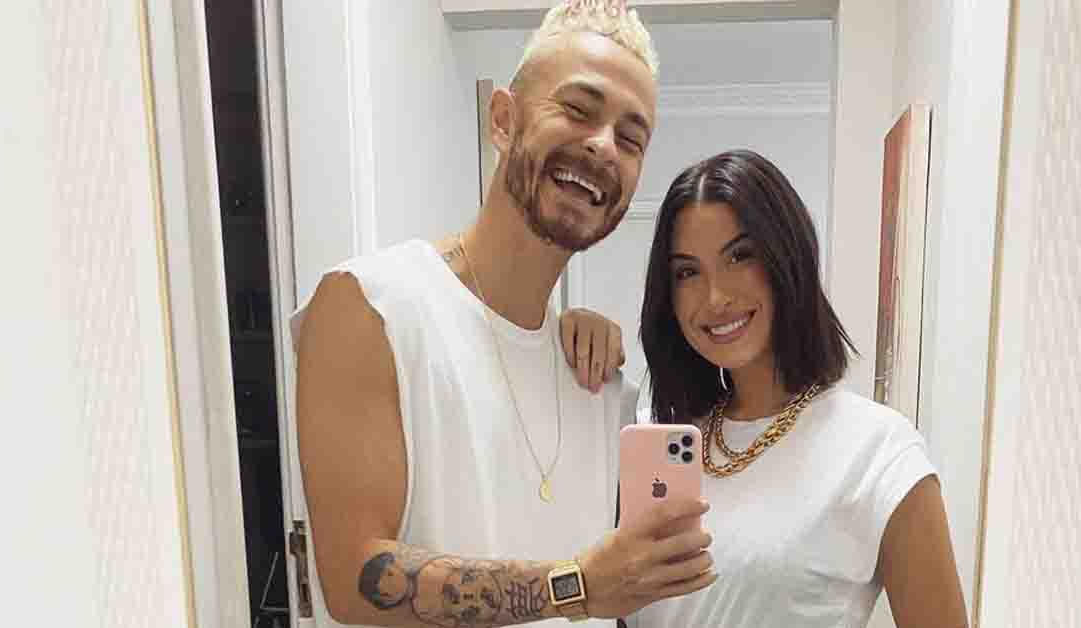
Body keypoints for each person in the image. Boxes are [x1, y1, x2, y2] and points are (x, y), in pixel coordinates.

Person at [290, 2, 716, 627]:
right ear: (503, 120)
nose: (604, 145)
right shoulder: (369, 305)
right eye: (578, 109)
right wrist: (577, 586)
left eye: (631, 139)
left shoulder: (598, 381)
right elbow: (356, 578)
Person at [622, 150, 968, 627]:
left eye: (740, 256)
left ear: (787, 257)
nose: (715, 297)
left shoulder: (877, 450)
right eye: (687, 272)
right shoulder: (660, 445)